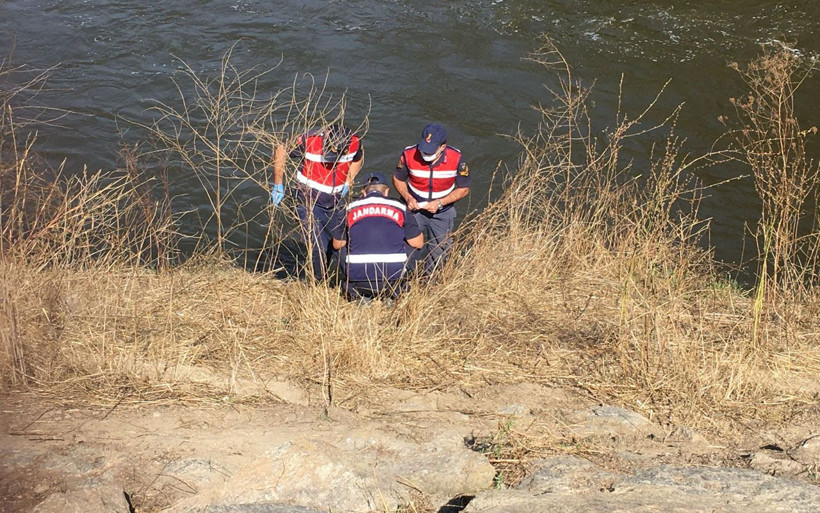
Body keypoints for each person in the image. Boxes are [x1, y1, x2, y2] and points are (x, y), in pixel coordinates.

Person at [270, 124, 364, 281]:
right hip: (307, 202)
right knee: (317, 247)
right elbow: (281, 149)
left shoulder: (354, 142)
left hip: (335, 203)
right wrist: (278, 184)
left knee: (340, 245)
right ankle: (316, 283)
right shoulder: (309, 140)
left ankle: (351, 283)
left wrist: (349, 180)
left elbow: (358, 157)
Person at [392, 122, 471, 276]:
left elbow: (464, 189)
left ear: (442, 147)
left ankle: (429, 283)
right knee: (405, 245)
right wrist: (408, 197)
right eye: (423, 150)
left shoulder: (457, 159)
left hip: (442, 212)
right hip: (413, 210)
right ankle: (400, 278)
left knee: (440, 251)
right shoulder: (409, 154)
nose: (425, 155)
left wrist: (440, 203)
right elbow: (398, 179)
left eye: (430, 152)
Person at [331, 172, 424, 301]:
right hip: (392, 282)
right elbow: (418, 243)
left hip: (359, 282)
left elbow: (337, 245)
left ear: (363, 192)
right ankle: (400, 284)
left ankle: (351, 287)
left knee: (339, 244)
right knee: (414, 242)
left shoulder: (348, 209)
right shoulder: (400, 207)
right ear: (386, 192)